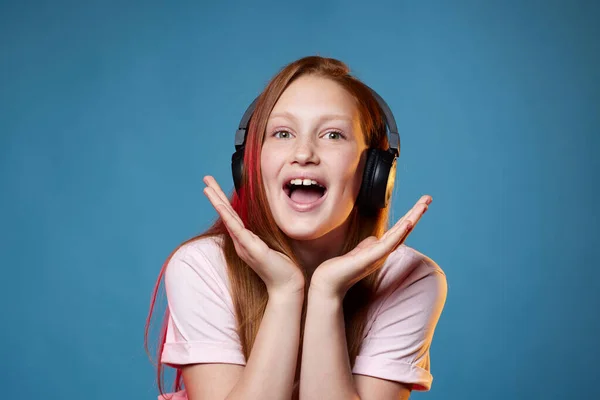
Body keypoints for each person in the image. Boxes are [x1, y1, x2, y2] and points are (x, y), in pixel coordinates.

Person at [145, 55, 447, 400]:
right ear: (251, 164)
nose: (303, 153)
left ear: (374, 172)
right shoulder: (202, 266)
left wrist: (327, 293)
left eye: (333, 135)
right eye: (283, 133)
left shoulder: (408, 277)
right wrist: (286, 291)